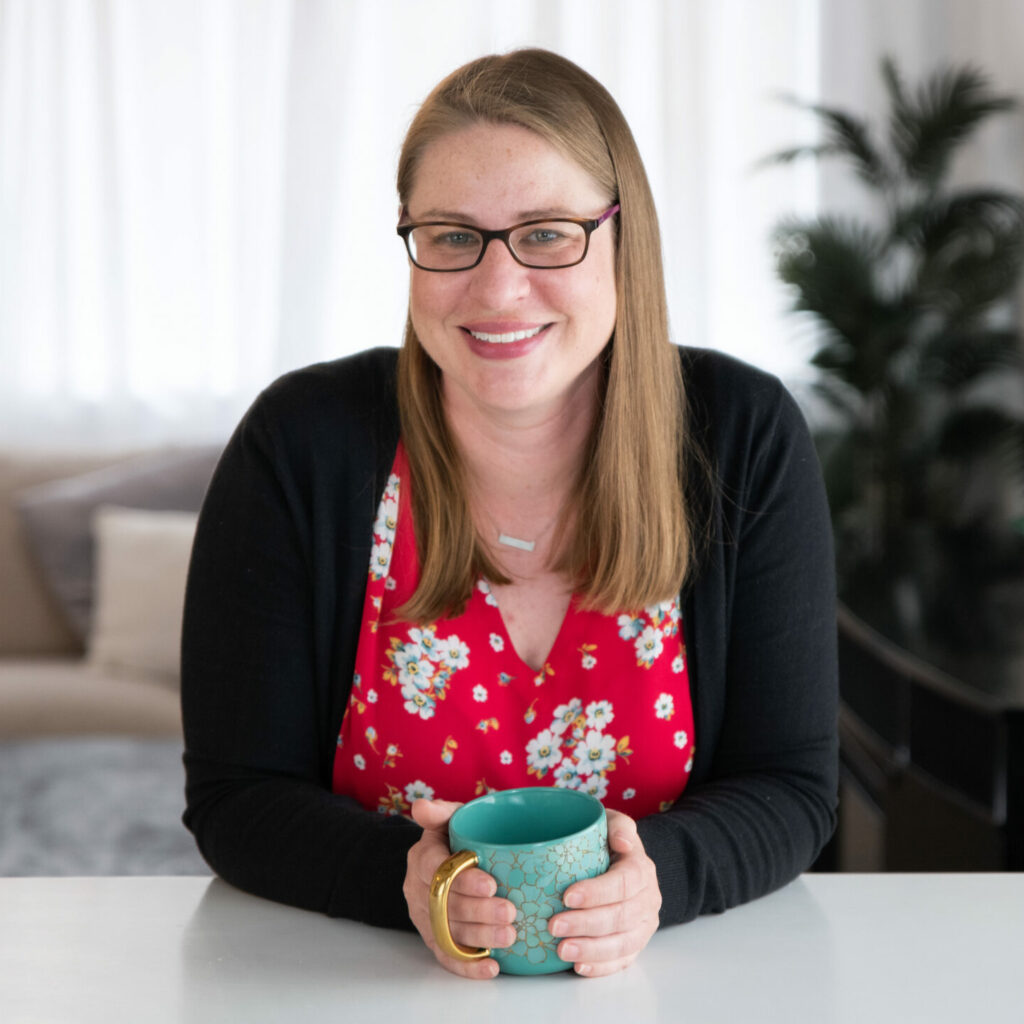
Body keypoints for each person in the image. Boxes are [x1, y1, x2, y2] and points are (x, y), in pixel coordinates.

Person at [181, 48, 838, 980]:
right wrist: (407, 886)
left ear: (623, 236)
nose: (496, 288)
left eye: (546, 233)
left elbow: (793, 787)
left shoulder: (743, 436)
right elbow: (237, 796)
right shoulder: (301, 444)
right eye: (451, 235)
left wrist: (658, 882)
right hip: (355, 988)